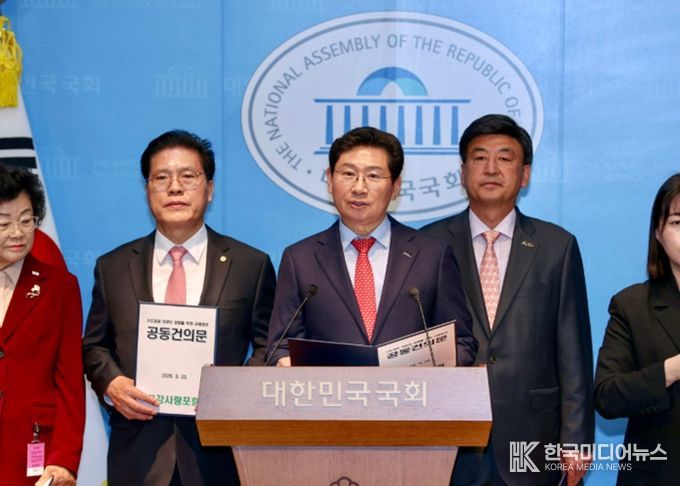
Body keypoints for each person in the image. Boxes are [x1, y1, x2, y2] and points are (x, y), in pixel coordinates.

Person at [82, 130, 276, 485]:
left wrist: (235, 392)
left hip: (219, 455)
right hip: (138, 455)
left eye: (188, 176)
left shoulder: (251, 264)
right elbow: (95, 345)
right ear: (147, 190)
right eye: (161, 178)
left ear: (209, 189)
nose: (174, 188)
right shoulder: (113, 266)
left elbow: (269, 345)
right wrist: (112, 385)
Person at [421, 114, 593, 485]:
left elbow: (574, 352)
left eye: (505, 158)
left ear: (525, 174)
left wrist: (576, 440)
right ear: (462, 172)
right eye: (480, 157)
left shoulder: (556, 246)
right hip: (448, 436)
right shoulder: (428, 244)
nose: (491, 168)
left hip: (533, 435)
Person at [266, 126, 476, 367]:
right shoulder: (300, 259)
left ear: (396, 186)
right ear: (330, 180)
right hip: (331, 390)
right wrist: (285, 361)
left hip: (409, 389)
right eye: (348, 174)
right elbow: (280, 347)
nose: (359, 188)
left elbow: (461, 343)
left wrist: (423, 368)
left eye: (374, 176)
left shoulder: (432, 255)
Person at [0, 165, 84, 486]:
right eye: (4, 223)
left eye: (26, 220)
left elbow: (70, 381)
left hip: (30, 451)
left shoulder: (59, 286)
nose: (18, 233)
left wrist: (65, 459)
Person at [594, 173, 680, 484]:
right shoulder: (631, 306)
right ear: (658, 232)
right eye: (678, 222)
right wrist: (671, 370)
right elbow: (607, 396)